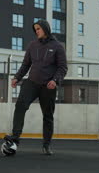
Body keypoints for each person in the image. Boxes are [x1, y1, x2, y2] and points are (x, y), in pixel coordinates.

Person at [4, 19, 68, 155]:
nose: (36, 31)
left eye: (39, 28)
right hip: (31, 83)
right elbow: (26, 64)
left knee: (48, 116)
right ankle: (15, 138)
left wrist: (55, 80)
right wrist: (17, 77)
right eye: (35, 29)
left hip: (48, 86)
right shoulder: (32, 45)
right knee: (20, 105)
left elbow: (63, 68)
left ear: (45, 29)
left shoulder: (57, 46)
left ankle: (46, 145)